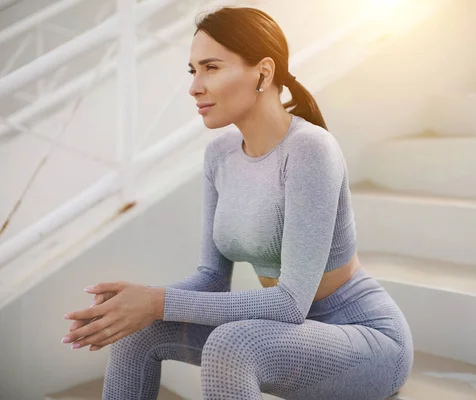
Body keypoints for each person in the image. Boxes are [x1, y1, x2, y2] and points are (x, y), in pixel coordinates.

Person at [61, 6, 413, 400]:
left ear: (263, 72)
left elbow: (291, 303)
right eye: (192, 70)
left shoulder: (310, 150)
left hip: (363, 338)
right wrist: (135, 304)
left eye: (211, 67)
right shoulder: (220, 155)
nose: (195, 86)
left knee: (232, 344)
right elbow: (212, 278)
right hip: (280, 334)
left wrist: (158, 302)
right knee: (139, 331)